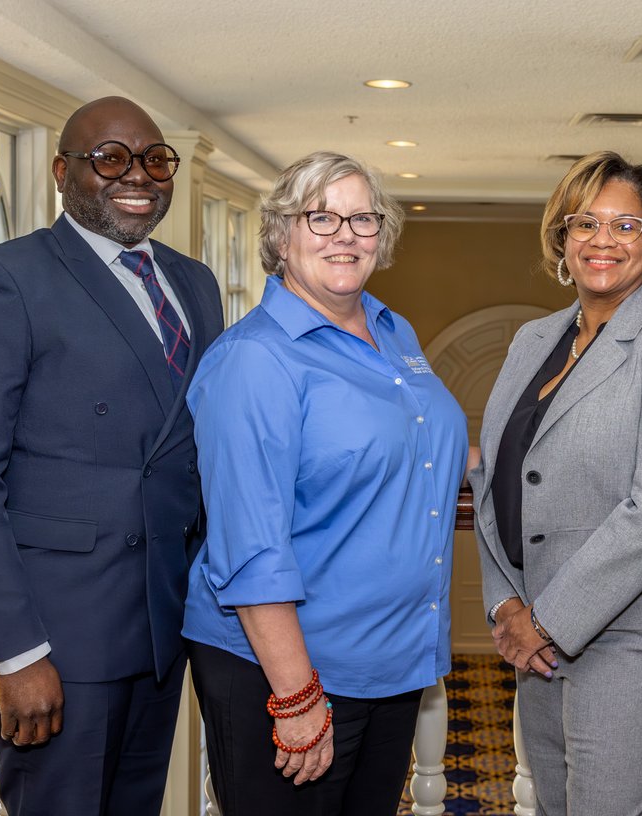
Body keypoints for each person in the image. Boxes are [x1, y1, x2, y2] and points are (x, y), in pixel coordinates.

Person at [0, 96, 225, 816]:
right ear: (62, 171)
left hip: (160, 624)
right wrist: (16, 654)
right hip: (54, 638)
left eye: (155, 159)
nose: (138, 175)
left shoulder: (194, 283)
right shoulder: (2, 280)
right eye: (109, 158)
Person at [182, 151, 468, 816]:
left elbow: (412, 442)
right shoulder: (256, 360)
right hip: (290, 670)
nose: (345, 234)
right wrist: (296, 694)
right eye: (322, 217)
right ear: (281, 236)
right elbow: (250, 548)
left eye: (363, 218)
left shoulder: (392, 331)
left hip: (391, 661)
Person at [470, 151, 642, 815]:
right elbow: (498, 471)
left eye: (626, 226)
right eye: (585, 223)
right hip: (538, 637)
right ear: (561, 236)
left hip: (636, 640)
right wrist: (506, 605)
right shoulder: (534, 339)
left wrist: (546, 622)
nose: (602, 241)